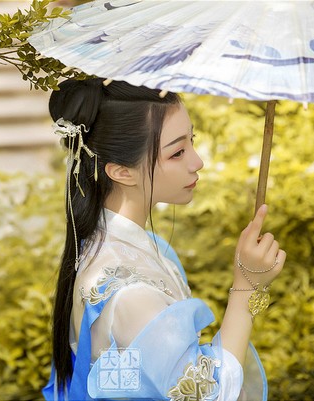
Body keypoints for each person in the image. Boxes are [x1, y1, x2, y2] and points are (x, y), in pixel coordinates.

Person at [43, 78, 286, 400]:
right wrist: (247, 286)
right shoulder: (130, 291)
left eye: (192, 141)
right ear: (121, 171)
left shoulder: (136, 246)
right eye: (177, 152)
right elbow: (208, 393)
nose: (197, 162)